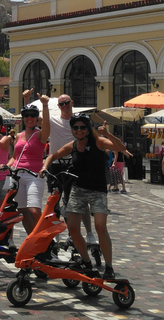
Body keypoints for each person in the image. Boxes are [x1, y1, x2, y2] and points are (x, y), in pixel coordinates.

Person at [42, 114, 130, 279]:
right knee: (73, 228)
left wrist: (108, 134)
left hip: (97, 191)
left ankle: (109, 267)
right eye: (76, 128)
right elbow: (53, 155)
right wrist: (44, 167)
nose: (79, 130)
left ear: (88, 129)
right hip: (78, 189)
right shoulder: (73, 145)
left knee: (100, 227)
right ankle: (86, 261)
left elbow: (120, 147)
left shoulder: (98, 142)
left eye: (83, 127)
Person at [24, 89, 98, 245]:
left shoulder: (79, 124)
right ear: (58, 106)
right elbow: (33, 118)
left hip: (76, 164)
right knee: (54, 201)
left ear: (72, 103)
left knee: (78, 201)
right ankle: (55, 232)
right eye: (61, 104)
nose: (64, 106)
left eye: (67, 103)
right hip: (56, 165)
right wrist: (26, 100)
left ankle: (89, 233)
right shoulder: (53, 120)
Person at [7, 95, 50, 234]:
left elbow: (47, 126)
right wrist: (7, 166)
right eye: (26, 115)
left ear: (37, 118)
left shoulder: (40, 135)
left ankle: (45, 238)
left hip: (33, 175)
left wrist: (45, 105)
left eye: (32, 116)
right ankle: (32, 239)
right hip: (17, 175)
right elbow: (14, 157)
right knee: (22, 211)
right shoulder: (19, 135)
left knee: (34, 209)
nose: (29, 118)